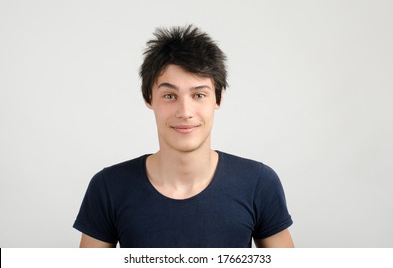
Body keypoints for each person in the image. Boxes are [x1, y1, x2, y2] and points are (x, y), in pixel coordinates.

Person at [73, 25, 294, 248]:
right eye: (170, 95)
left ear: (217, 100)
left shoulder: (258, 183)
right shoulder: (109, 187)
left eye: (199, 95)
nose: (185, 111)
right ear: (149, 99)